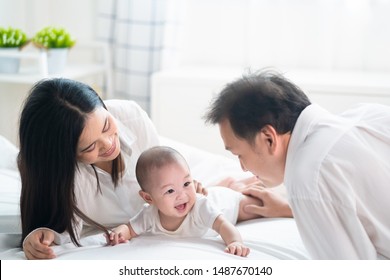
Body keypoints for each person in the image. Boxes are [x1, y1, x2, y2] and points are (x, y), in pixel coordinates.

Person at [18, 78, 282, 260]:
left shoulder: (129, 116)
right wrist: (41, 237)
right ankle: (219, 185)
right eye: (89, 147)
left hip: (167, 179)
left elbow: (164, 170)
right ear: (65, 155)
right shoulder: (64, 181)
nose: (110, 144)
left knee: (222, 191)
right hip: (160, 202)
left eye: (107, 125)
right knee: (208, 191)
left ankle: (224, 186)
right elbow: (62, 231)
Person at [203, 69, 390, 259]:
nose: (242, 167)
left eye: (239, 154)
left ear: (268, 138)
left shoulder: (308, 179)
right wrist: (290, 209)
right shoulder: (369, 114)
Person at [107, 146, 265, 257]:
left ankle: (234, 187)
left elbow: (223, 225)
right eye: (170, 191)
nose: (182, 195)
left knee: (253, 207)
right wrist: (120, 233)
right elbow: (129, 228)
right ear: (149, 198)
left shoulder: (200, 207)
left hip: (226, 203)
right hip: (209, 198)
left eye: (187, 183)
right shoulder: (149, 214)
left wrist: (235, 242)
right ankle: (230, 184)